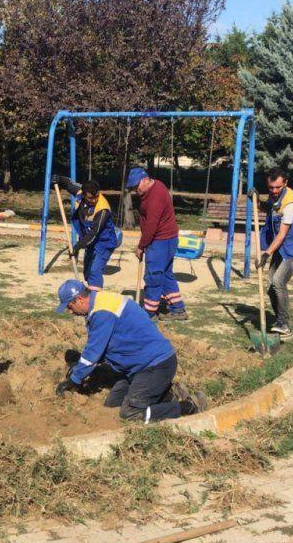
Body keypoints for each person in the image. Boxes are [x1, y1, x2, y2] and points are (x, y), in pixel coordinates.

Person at [53, 279, 206, 423]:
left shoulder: (102, 312)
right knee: (113, 404)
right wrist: (80, 367)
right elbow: (102, 349)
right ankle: (169, 394)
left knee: (130, 413)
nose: (70, 312)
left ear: (79, 299)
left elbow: (93, 352)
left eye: (69, 307)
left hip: (156, 365)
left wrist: (74, 380)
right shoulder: (100, 301)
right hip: (139, 367)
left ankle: (189, 407)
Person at [126, 167, 186, 320]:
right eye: (132, 187)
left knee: (153, 275)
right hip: (167, 239)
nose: (135, 190)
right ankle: (178, 309)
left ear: (145, 180)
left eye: (136, 186)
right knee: (165, 274)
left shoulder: (155, 197)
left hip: (160, 241)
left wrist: (141, 246)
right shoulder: (154, 186)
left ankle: (149, 312)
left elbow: (152, 225)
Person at [257, 168, 293, 340]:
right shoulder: (275, 197)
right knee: (272, 287)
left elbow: (282, 234)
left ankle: (284, 325)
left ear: (285, 183)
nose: (273, 191)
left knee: (278, 281)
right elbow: (269, 209)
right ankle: (280, 321)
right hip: (281, 249)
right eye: (270, 187)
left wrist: (266, 254)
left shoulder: (291, 204)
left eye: (277, 187)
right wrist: (256, 200)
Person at [54, 175, 121, 289]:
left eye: (96, 196)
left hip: (104, 242)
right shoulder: (80, 192)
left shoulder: (102, 209)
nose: (94, 200)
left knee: (94, 271)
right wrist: (59, 179)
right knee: (88, 272)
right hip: (90, 241)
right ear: (84, 195)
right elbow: (69, 183)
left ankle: (95, 297)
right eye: (90, 198)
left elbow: (94, 233)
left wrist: (77, 246)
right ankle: (90, 293)